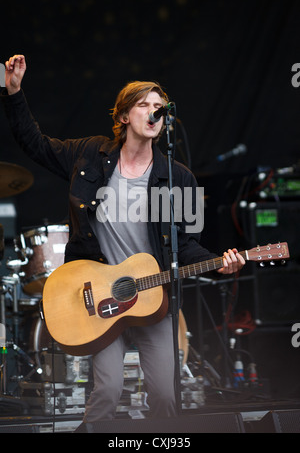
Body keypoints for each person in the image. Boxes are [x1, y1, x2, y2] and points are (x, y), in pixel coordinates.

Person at [2, 54, 245, 424]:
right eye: (144, 105)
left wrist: (221, 263)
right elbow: (35, 144)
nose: (154, 112)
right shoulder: (90, 155)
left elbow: (186, 245)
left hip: (154, 299)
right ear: (123, 116)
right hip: (102, 298)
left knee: (166, 395)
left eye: (160, 108)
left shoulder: (179, 177)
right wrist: (14, 92)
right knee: (108, 391)